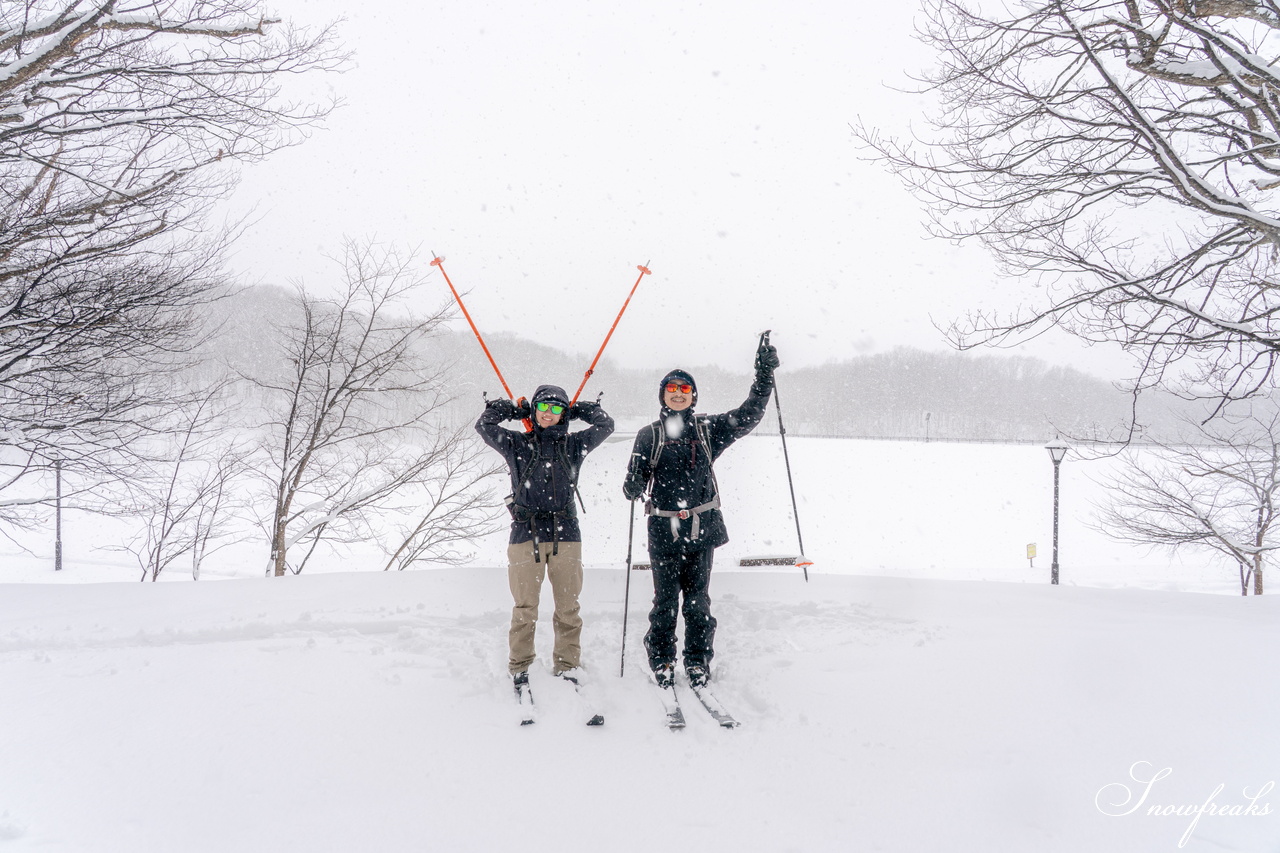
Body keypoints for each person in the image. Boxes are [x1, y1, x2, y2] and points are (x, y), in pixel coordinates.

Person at [622, 335, 780, 689]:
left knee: (697, 603)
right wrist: (632, 485)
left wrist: (764, 375)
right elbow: (635, 481)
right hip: (663, 530)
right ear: (663, 395)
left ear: (693, 396)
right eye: (672, 388)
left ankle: (696, 661)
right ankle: (662, 660)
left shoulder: (708, 430)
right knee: (665, 602)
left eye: (685, 389)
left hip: (701, 528)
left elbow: (750, 414)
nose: (678, 393)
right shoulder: (649, 435)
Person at [476, 385, 615, 689]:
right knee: (525, 608)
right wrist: (513, 410)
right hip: (525, 535)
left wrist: (579, 409)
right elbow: (484, 425)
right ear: (534, 410)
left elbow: (606, 425)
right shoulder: (516, 444)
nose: (548, 414)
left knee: (568, 609)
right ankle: (520, 666)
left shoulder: (574, 445)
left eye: (556, 408)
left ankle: (567, 664)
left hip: (567, 535)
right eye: (542, 407)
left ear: (564, 413)